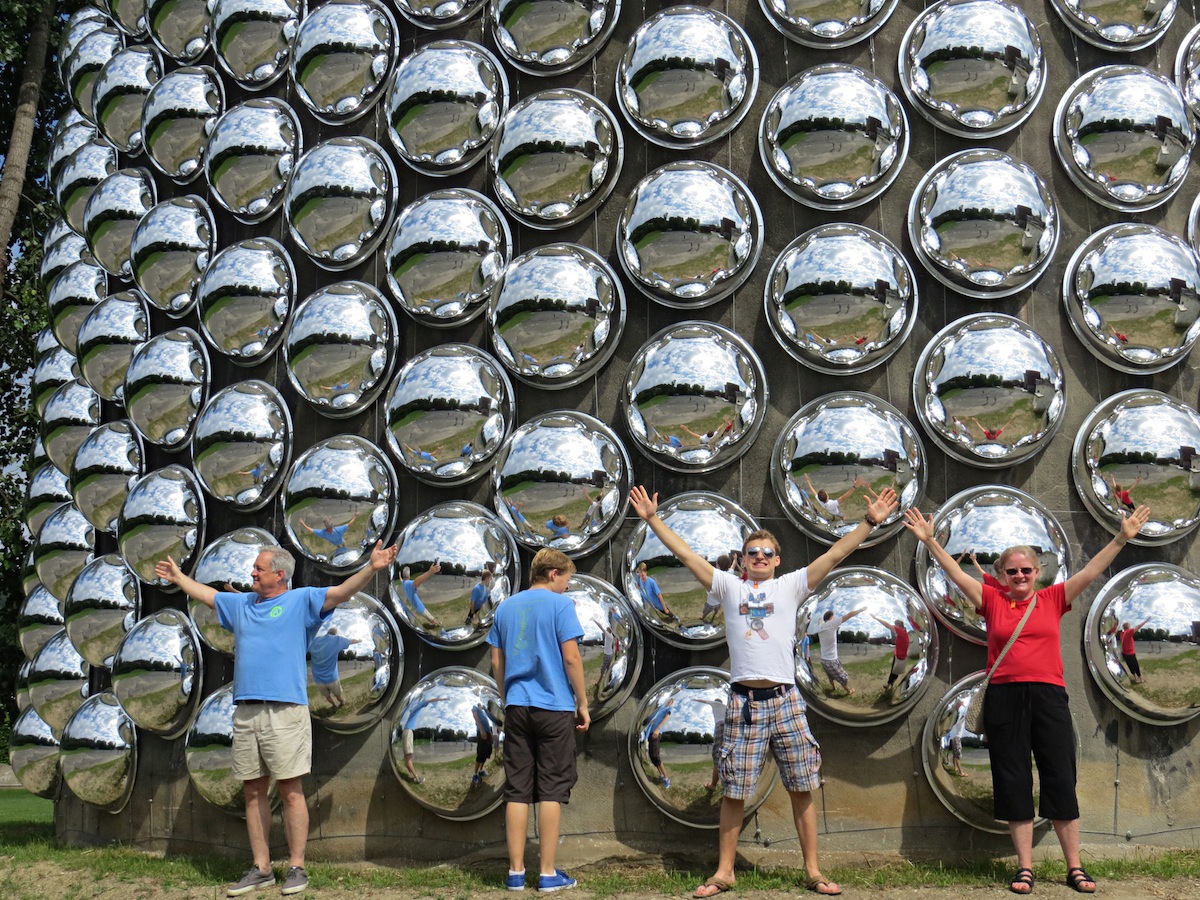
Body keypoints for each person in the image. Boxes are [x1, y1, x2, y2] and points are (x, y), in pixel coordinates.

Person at [629, 482, 897, 898]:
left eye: (766, 553)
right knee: (734, 790)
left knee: (802, 785)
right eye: (752, 553)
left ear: (777, 560)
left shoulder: (789, 586)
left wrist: (867, 522)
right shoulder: (728, 587)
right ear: (744, 560)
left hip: (785, 701)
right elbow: (685, 555)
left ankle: (813, 871)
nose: (759, 558)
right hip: (744, 704)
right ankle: (724, 872)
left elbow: (835, 554)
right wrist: (652, 520)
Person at [904, 502, 1150, 896]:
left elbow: (1089, 572)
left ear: (1037, 573)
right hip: (1004, 698)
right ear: (1001, 575)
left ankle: (1074, 867)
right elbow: (953, 573)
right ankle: (1024, 869)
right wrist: (931, 542)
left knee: (1060, 778)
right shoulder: (991, 600)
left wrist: (1121, 538)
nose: (1019, 575)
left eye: (1026, 570)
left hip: (1049, 697)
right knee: (1013, 779)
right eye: (1012, 570)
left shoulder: (1053, 599)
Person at [155, 540, 397, 897]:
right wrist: (178, 576)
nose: (252, 573)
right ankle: (262, 868)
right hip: (247, 710)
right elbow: (207, 596)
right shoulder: (242, 605)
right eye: (254, 568)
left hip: (285, 710)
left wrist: (372, 567)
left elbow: (342, 592)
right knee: (253, 791)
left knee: (290, 790)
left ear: (280, 575)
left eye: (258, 569)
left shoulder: (301, 601)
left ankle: (297, 867)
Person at [488, 548, 590, 893]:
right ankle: (547, 873)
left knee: (516, 789)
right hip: (554, 706)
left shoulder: (506, 607)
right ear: (553, 575)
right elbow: (572, 658)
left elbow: (496, 660)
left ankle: (516, 872)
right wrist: (583, 702)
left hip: (517, 706)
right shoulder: (561, 606)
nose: (567, 587)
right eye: (567, 580)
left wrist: (507, 696)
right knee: (552, 788)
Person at [816, 607, 866, 695]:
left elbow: (819, 623)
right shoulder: (832, 623)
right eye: (834, 616)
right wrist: (861, 609)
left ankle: (833, 687)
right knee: (843, 677)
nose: (835, 618)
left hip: (823, 660)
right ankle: (849, 691)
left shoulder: (820, 627)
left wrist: (819, 621)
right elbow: (849, 615)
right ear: (831, 617)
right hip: (831, 660)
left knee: (830, 677)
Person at [308, 626, 360, 708]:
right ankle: (342, 702)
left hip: (318, 679)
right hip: (332, 678)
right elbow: (351, 641)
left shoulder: (315, 640)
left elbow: (306, 645)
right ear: (335, 634)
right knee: (338, 696)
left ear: (327, 632)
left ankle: (333, 705)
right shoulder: (336, 640)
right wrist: (359, 640)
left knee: (327, 697)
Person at [871, 614, 912, 694]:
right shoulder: (904, 634)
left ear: (899, 626)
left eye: (896, 625)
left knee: (895, 671)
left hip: (900, 656)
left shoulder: (901, 632)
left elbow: (887, 625)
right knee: (895, 670)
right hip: (899, 655)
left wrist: (876, 618)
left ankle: (890, 683)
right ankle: (891, 683)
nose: (894, 627)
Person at [1110, 617, 1152, 684]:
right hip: (1131, 653)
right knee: (1135, 665)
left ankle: (1135, 677)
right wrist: (1146, 621)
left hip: (1124, 653)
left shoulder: (1121, 634)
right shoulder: (1129, 632)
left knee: (1130, 665)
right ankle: (1140, 679)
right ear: (1128, 627)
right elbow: (1138, 626)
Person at [400, 563, 442, 629]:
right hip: (419, 606)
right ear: (409, 576)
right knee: (430, 617)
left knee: (426, 616)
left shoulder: (403, 583)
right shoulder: (408, 583)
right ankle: (437, 624)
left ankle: (434, 623)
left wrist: (400, 575)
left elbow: (401, 579)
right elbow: (416, 582)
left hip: (415, 607)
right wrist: (429, 572)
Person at [643, 706, 673, 787]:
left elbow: (667, 717)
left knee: (656, 755)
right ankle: (662, 776)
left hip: (656, 733)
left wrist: (658, 729)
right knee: (652, 756)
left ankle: (667, 778)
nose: (669, 702)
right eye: (669, 701)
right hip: (649, 733)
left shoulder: (668, 709)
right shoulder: (659, 709)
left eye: (671, 702)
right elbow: (649, 719)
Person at [701, 554, 733, 624]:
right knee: (716, 611)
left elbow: (703, 569)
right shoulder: (730, 573)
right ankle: (712, 618)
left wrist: (703, 561)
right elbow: (733, 566)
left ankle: (703, 618)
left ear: (717, 565)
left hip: (711, 602)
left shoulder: (713, 576)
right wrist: (735, 559)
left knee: (706, 612)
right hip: (719, 602)